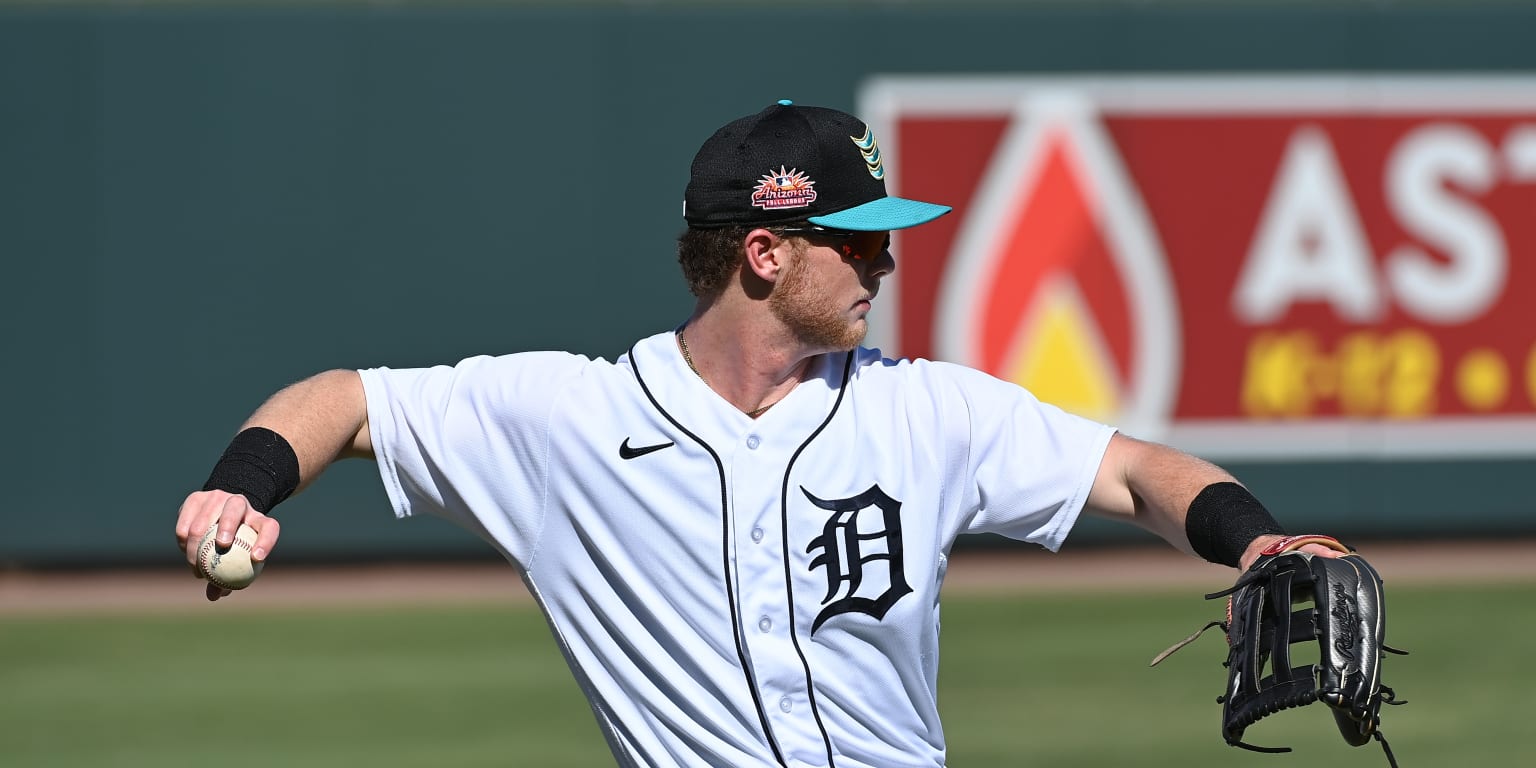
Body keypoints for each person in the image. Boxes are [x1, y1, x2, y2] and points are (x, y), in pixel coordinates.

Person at [175, 99, 1342, 767]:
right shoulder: (568, 420)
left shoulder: (922, 409)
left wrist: (1258, 543)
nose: (885, 259)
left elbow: (1135, 472)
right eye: (860, 240)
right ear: (766, 253)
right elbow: (346, 398)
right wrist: (242, 486)